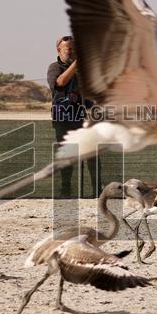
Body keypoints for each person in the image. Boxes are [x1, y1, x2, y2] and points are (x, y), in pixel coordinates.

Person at [48, 35, 100, 198]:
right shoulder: (54, 67)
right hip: (63, 118)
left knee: (92, 153)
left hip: (82, 117)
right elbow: (60, 82)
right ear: (59, 50)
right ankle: (66, 190)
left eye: (75, 50)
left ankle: (97, 189)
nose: (72, 53)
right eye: (69, 49)